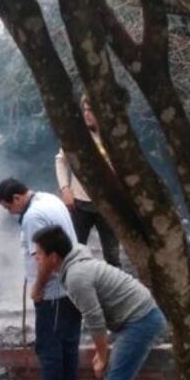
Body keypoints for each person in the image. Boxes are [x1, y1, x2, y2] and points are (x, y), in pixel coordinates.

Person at [32, 224, 166, 380]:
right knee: (114, 377)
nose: (36, 258)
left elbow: (94, 319)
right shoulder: (74, 264)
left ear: (53, 257)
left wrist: (103, 356)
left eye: (39, 254)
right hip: (135, 316)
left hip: (141, 320)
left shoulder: (76, 277)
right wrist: (101, 351)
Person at [0, 178, 82, 380]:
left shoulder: (33, 216)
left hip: (54, 293)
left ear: (17, 198)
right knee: (67, 348)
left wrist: (37, 288)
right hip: (71, 287)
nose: (9, 213)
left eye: (7, 207)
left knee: (50, 350)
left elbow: (45, 260)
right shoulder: (50, 198)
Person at [55, 95, 121, 267]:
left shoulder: (116, 137)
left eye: (91, 110)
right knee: (75, 251)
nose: (87, 114)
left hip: (109, 205)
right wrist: (64, 188)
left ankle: (114, 290)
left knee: (112, 255)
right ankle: (75, 288)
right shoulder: (78, 136)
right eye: (84, 110)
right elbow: (60, 160)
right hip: (79, 204)